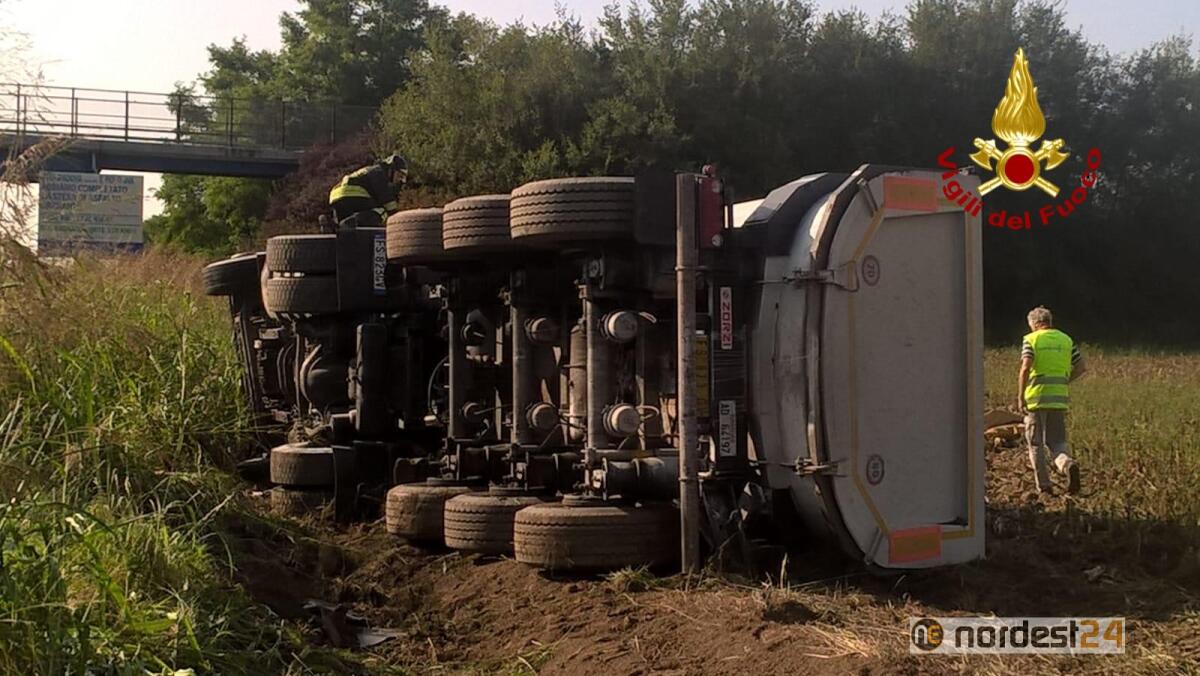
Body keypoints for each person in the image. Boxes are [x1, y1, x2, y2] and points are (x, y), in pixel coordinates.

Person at [1017, 306, 1085, 495]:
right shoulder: (1066, 340)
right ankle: (1066, 464)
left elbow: (1025, 368)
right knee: (1057, 443)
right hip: (1059, 399)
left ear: (1034, 323)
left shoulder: (1031, 340)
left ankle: (1044, 487)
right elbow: (1081, 367)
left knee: (1036, 443)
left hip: (1036, 399)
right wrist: (1064, 381)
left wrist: (1020, 396)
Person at [328, 154, 408, 227]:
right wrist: (400, 222)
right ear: (391, 170)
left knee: (343, 228)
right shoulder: (380, 173)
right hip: (352, 193)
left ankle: (330, 226)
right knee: (382, 211)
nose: (401, 180)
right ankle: (353, 222)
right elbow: (389, 206)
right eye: (399, 175)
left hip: (335, 195)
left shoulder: (372, 170)